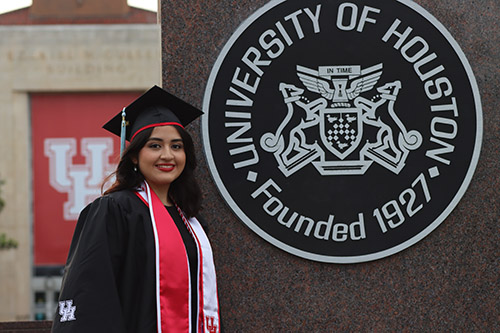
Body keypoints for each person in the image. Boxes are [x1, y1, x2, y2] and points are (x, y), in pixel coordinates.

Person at [51, 85, 221, 333]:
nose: (167, 155)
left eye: (176, 146)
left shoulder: (192, 222)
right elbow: (90, 291)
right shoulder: (114, 211)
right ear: (134, 155)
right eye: (154, 146)